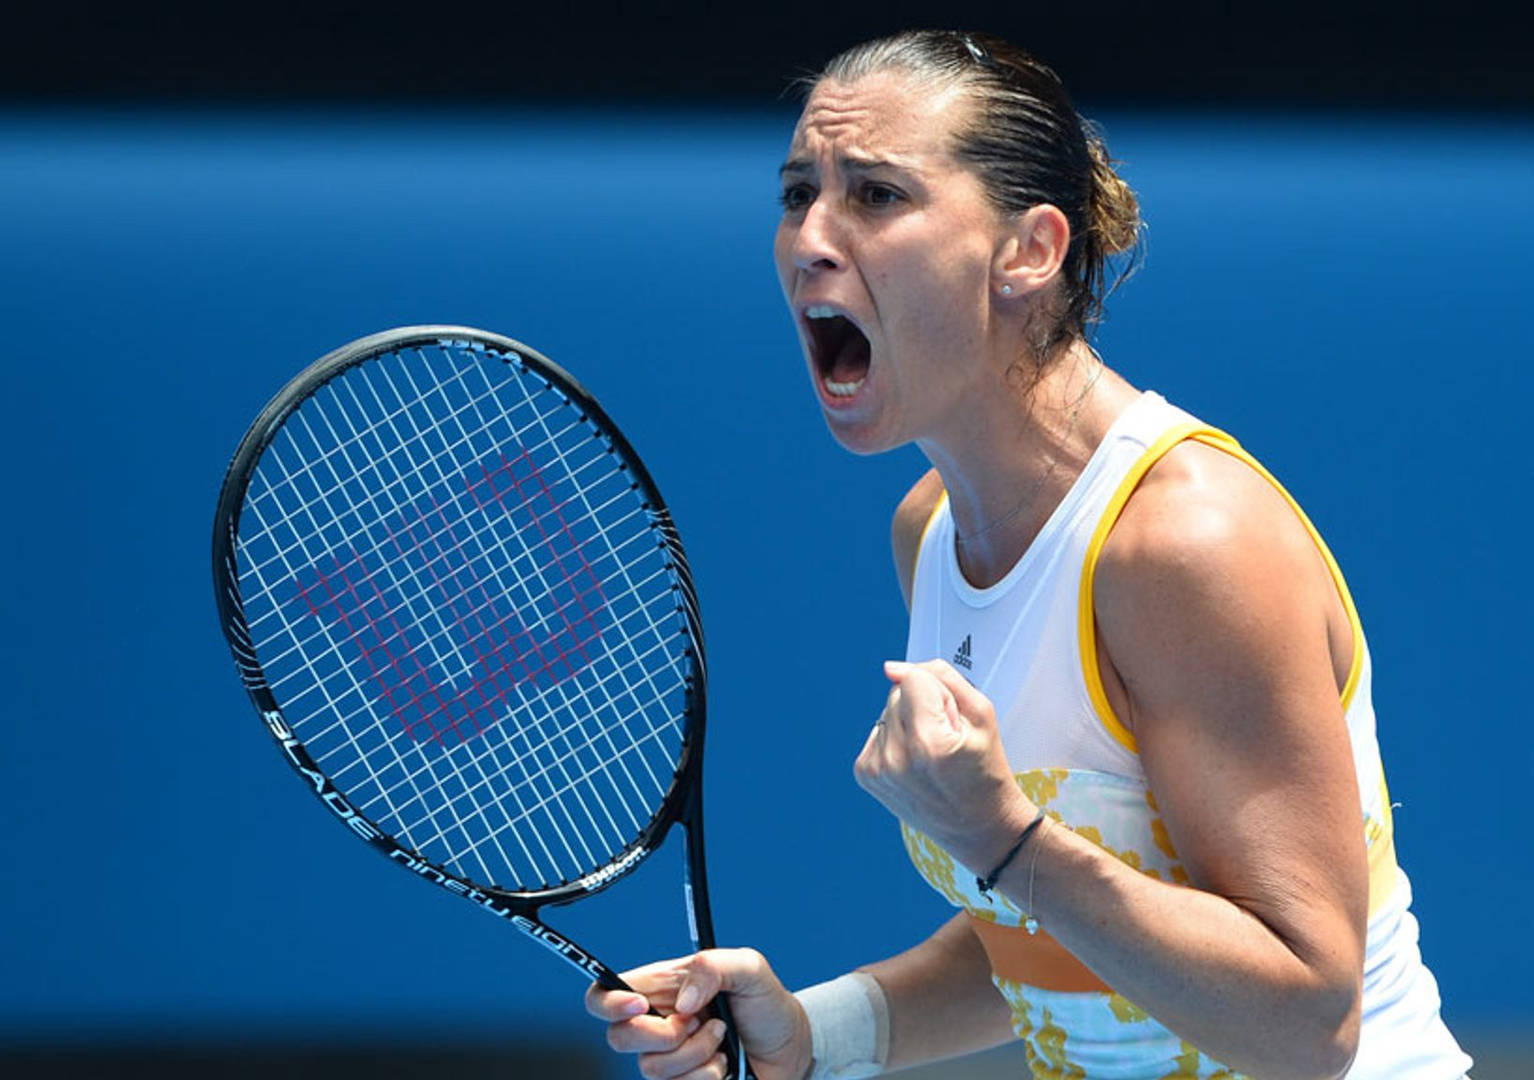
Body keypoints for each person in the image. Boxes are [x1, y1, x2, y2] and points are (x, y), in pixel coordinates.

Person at [586, 29, 1472, 1080]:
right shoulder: (932, 535)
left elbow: (1304, 1022)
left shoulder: (1182, 545)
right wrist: (818, 1033)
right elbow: (1059, 938)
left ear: (1029, 251)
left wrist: (1005, 837)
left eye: (874, 195)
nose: (810, 239)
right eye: (795, 194)